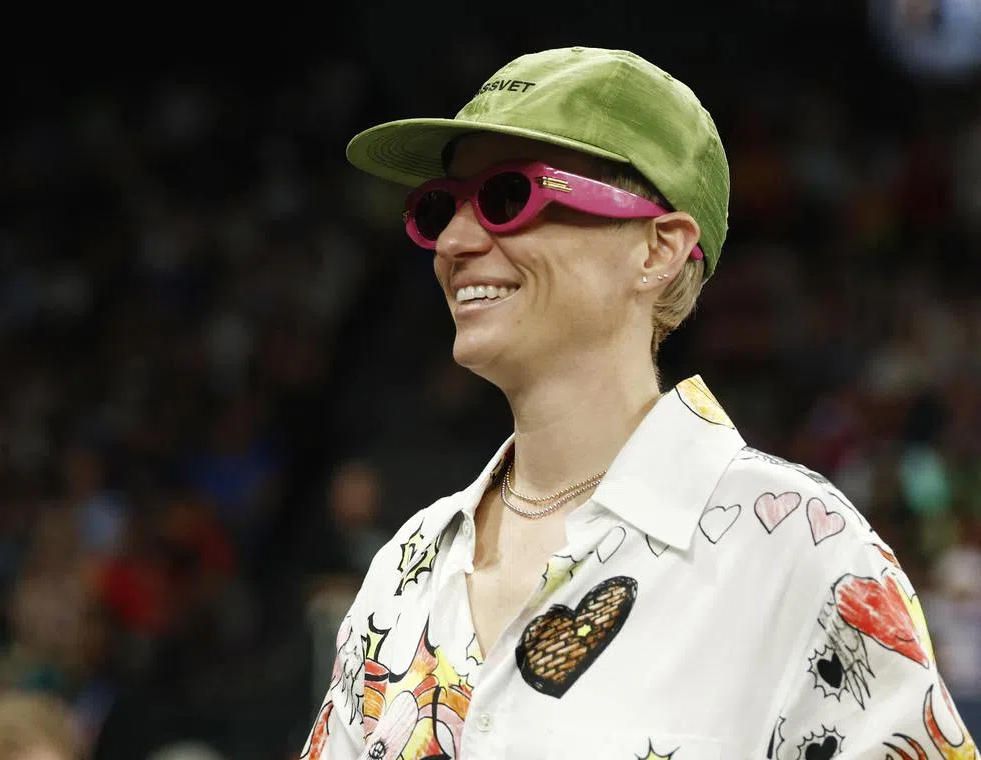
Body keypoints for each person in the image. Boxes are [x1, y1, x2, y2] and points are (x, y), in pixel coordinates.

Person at [299, 46, 978, 759]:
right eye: (441, 207)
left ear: (656, 250)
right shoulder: (405, 568)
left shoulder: (801, 551)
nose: (457, 242)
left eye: (507, 197)